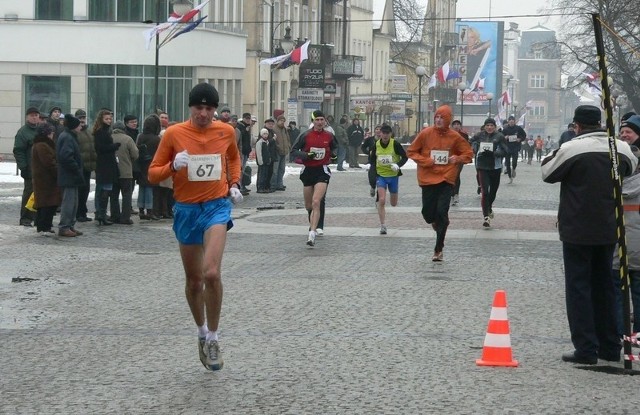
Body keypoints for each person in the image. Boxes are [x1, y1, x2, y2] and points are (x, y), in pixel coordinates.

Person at [148, 82, 243, 371]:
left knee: (211, 273)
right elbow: (153, 174)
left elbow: (233, 157)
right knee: (194, 281)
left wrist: (234, 183)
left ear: (215, 110)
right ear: (190, 108)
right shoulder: (174, 134)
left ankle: (214, 337)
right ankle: (201, 332)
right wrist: (173, 166)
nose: (203, 113)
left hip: (216, 207)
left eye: (209, 108)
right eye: (198, 108)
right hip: (187, 210)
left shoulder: (225, 131)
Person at [541, 105, 637, 364]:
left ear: (577, 126)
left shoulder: (572, 149)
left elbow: (547, 171)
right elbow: (631, 167)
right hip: (609, 225)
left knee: (579, 287)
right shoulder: (619, 148)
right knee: (605, 285)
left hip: (577, 227)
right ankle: (610, 345)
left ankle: (586, 348)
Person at [407, 105, 473, 261]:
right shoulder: (426, 133)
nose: (438, 120)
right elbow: (411, 151)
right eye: (437, 117)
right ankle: (437, 222)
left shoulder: (455, 137)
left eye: (442, 117)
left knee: (442, 212)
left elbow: (468, 154)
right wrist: (425, 161)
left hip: (446, 179)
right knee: (428, 214)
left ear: (448, 120)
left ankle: (438, 249)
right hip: (428, 179)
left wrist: (457, 158)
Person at [290, 110, 337, 246]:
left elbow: (335, 148)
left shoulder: (329, 136)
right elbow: (293, 151)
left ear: (325, 121)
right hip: (308, 171)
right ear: (313, 121)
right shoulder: (305, 135)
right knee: (309, 205)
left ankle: (312, 232)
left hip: (322, 171)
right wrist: (306, 155)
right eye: (317, 120)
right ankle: (313, 222)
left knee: (317, 201)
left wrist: (333, 156)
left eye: (322, 120)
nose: (320, 122)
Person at [611, 145, 640, 338]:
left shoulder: (611, 184)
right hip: (639, 246)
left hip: (615, 245)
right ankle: (638, 332)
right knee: (638, 291)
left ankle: (619, 331)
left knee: (616, 291)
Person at [470, 118, 509, 228]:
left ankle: (489, 206)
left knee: (493, 192)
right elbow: (470, 141)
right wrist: (475, 147)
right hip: (482, 166)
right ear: (485, 126)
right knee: (484, 192)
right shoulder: (479, 135)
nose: (489, 127)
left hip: (495, 167)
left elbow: (505, 151)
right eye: (487, 125)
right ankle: (486, 216)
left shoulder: (499, 136)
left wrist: (494, 153)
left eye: (492, 125)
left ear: (495, 126)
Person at [372, 124, 408, 234]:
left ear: (390, 134)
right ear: (380, 133)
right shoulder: (376, 145)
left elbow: (405, 157)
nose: (385, 135)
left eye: (388, 133)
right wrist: (373, 176)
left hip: (393, 176)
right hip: (381, 175)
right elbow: (372, 160)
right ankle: (383, 225)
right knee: (381, 200)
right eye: (383, 133)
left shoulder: (395, 144)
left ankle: (394, 194)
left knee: (393, 203)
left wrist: (398, 165)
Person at [56, 114, 85, 237]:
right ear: (74, 127)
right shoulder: (67, 137)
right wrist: (76, 169)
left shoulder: (69, 136)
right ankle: (64, 227)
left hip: (71, 175)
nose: (81, 127)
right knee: (69, 202)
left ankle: (70, 225)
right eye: (79, 125)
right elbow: (66, 157)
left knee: (74, 202)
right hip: (69, 175)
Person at [31, 123, 61, 235]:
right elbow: (49, 163)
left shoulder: (42, 144)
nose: (53, 134)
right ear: (47, 133)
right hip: (45, 181)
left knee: (46, 204)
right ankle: (44, 227)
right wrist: (58, 172)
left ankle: (43, 226)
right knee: (47, 205)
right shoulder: (42, 146)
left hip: (45, 180)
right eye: (52, 132)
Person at [13, 107, 40, 227]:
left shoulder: (40, 130)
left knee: (40, 193)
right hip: (29, 168)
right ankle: (25, 217)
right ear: (27, 117)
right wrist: (23, 167)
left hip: (41, 169)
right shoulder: (23, 132)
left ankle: (36, 216)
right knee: (29, 193)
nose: (34, 117)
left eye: (36, 115)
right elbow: (18, 151)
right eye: (32, 115)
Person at [93, 109, 120, 226]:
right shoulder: (101, 132)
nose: (109, 121)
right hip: (105, 165)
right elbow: (101, 148)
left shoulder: (103, 131)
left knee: (103, 190)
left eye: (110, 119)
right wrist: (114, 146)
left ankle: (101, 213)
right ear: (101, 119)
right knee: (105, 190)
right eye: (106, 119)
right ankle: (101, 214)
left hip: (106, 164)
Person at [110, 121, 139, 224]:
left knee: (113, 195)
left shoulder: (110, 138)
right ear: (124, 129)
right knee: (126, 195)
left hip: (112, 171)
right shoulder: (128, 139)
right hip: (126, 171)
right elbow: (135, 154)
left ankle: (114, 216)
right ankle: (125, 217)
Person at [136, 114, 162, 221]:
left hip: (141, 164)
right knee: (150, 189)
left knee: (142, 188)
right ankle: (150, 211)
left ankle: (141, 209)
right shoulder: (156, 139)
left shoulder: (140, 136)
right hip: (152, 164)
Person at [74, 109, 97, 223]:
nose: (82, 120)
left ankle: (83, 211)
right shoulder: (76, 132)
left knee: (86, 190)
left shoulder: (89, 131)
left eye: (83, 117)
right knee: (80, 190)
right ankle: (79, 213)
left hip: (88, 166)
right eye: (80, 118)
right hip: (80, 166)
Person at [501, 115, 526, 183]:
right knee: (508, 163)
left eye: (513, 121)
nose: (511, 122)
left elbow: (524, 135)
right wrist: (505, 137)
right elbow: (501, 137)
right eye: (510, 121)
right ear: (508, 122)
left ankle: (514, 169)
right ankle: (510, 177)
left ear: (515, 122)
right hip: (507, 148)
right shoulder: (505, 129)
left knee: (514, 161)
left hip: (515, 147)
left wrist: (520, 139)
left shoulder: (518, 128)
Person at [450, 119, 469, 205]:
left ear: (460, 126)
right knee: (450, 176)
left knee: (456, 175)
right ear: (452, 126)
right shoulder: (448, 134)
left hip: (460, 158)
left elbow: (467, 146)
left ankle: (456, 194)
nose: (456, 126)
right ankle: (451, 194)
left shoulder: (464, 135)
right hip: (450, 158)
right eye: (455, 124)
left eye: (458, 124)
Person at [271, 115, 290, 191]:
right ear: (277, 121)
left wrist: (289, 146)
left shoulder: (284, 129)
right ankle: (273, 185)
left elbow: (287, 139)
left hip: (284, 151)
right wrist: (277, 147)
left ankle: (280, 184)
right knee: (275, 170)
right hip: (277, 152)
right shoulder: (274, 129)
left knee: (282, 169)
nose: (282, 122)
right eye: (281, 121)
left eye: (283, 121)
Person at [362, 125, 382, 197]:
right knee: (372, 178)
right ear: (375, 130)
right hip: (373, 161)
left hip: (382, 163)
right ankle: (373, 187)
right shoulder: (370, 139)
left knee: (381, 182)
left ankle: (379, 198)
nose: (378, 130)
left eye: (380, 129)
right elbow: (363, 147)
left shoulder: (385, 139)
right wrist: (368, 152)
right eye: (377, 129)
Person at [255, 128, 275, 193]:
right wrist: (260, 161)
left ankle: (264, 187)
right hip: (262, 162)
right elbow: (259, 153)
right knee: (261, 175)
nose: (265, 135)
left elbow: (268, 152)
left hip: (267, 161)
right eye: (264, 134)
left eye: (266, 134)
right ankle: (260, 187)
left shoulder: (267, 142)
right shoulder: (259, 142)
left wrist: (269, 159)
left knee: (266, 175)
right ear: (261, 135)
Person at [238, 113, 253, 193]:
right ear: (243, 118)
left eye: (249, 118)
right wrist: (245, 131)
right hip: (242, 151)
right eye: (246, 118)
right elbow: (240, 138)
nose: (248, 120)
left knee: (242, 169)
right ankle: (240, 186)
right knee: (240, 170)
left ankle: (242, 185)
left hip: (246, 151)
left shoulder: (247, 127)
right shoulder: (240, 126)